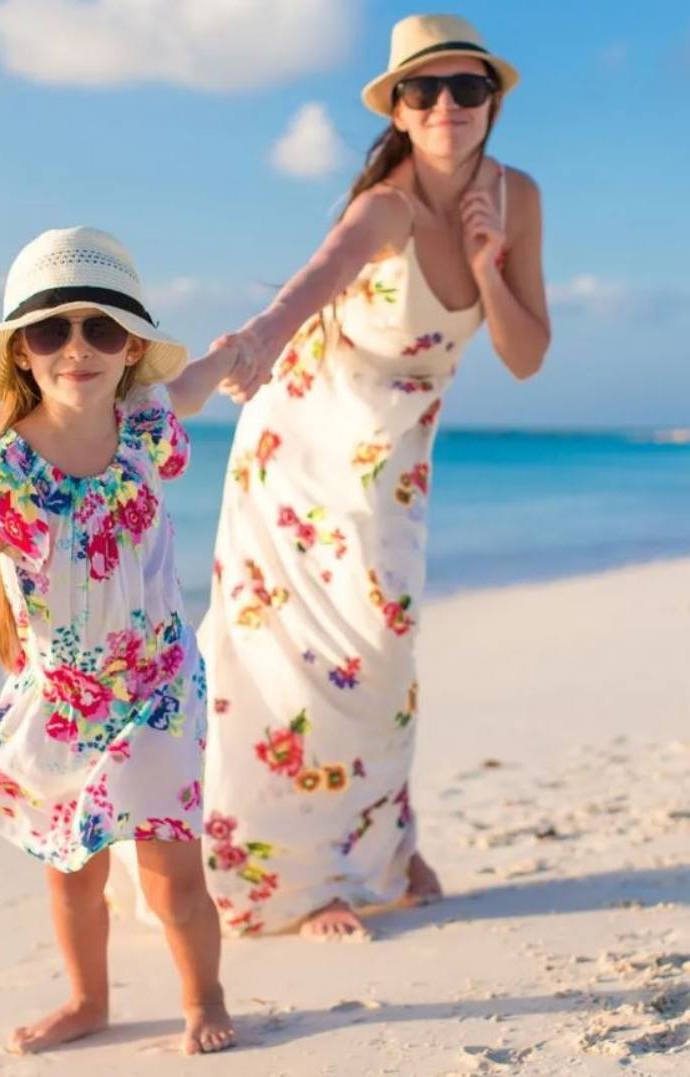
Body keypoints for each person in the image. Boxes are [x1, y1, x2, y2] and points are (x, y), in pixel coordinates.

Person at [199, 13, 551, 938]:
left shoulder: (517, 199)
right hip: (302, 453)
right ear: (397, 110)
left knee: (382, 657)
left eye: (466, 88)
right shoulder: (383, 208)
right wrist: (253, 342)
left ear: (492, 101)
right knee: (294, 657)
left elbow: (525, 356)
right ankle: (304, 881)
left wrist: (487, 263)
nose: (446, 106)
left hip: (393, 462)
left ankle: (381, 848)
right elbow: (311, 281)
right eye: (423, 91)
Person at [0, 226, 238, 1053]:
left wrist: (233, 353)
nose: (77, 347)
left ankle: (203, 997)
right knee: (72, 869)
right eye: (51, 330)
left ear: (130, 346)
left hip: (155, 688)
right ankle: (88, 999)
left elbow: (193, 387)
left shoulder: (143, 421)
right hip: (64, 702)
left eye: (100, 328)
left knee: (171, 877)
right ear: (25, 355)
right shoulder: (6, 476)